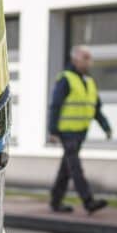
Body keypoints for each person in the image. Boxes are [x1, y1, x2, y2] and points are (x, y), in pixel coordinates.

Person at [47, 45, 110, 214]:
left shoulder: (89, 82)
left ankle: (55, 201)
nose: (89, 61)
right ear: (75, 59)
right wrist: (52, 131)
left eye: (90, 58)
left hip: (81, 133)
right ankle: (88, 201)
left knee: (66, 169)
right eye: (86, 57)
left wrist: (106, 127)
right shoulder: (66, 79)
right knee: (75, 167)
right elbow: (55, 106)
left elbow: (95, 108)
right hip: (67, 132)